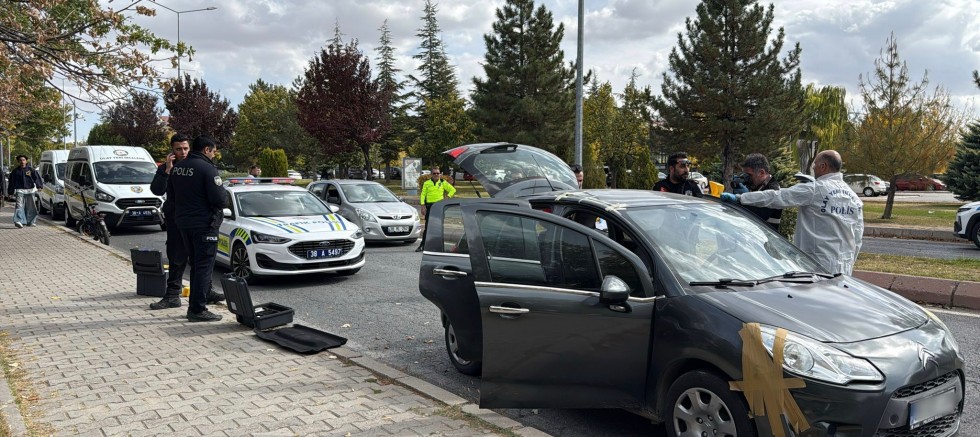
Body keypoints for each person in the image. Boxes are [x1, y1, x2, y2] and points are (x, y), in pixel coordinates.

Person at [721, 150, 863, 275]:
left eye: (815, 166)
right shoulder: (854, 198)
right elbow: (857, 238)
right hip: (844, 266)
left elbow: (777, 197)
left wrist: (741, 198)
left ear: (823, 166)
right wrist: (850, 261)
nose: (813, 169)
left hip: (817, 263)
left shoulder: (815, 189)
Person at [149, 134, 223, 310]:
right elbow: (157, 189)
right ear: (172, 151)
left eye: (185, 148)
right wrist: (166, 170)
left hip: (195, 219)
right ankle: (172, 294)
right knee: (177, 257)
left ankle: (206, 291)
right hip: (176, 219)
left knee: (201, 260)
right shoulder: (171, 167)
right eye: (178, 149)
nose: (183, 152)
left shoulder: (198, 165)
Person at [167, 135, 226, 322]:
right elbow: (219, 199)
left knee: (195, 265)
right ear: (206, 150)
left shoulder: (177, 168)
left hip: (183, 223)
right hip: (204, 225)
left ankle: (196, 305)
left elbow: (172, 196)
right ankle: (197, 309)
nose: (214, 155)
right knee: (203, 267)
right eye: (213, 151)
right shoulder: (207, 169)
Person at [738, 153, 782, 231]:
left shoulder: (773, 189)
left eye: (749, 175)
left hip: (766, 237)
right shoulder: (758, 185)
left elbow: (756, 217)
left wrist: (741, 199)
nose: (747, 179)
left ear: (761, 173)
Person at [416, 167, 456, 252]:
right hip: (430, 206)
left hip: (439, 207)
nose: (436, 175)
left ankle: (438, 247)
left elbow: (452, 190)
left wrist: (447, 198)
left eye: (438, 173)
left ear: (440, 174)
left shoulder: (442, 182)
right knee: (428, 227)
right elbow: (423, 195)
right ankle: (422, 245)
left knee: (439, 227)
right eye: (434, 173)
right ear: (431, 174)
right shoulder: (427, 183)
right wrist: (423, 206)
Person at [7, 155, 43, 228]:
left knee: (31, 207)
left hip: (30, 190)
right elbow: (11, 182)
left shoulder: (31, 170)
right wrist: (10, 192)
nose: (22, 162)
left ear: (26, 161)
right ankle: (18, 221)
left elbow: (37, 178)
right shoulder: (15, 171)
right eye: (20, 160)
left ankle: (31, 221)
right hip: (20, 190)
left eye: (23, 160)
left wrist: (39, 186)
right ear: (18, 162)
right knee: (19, 206)